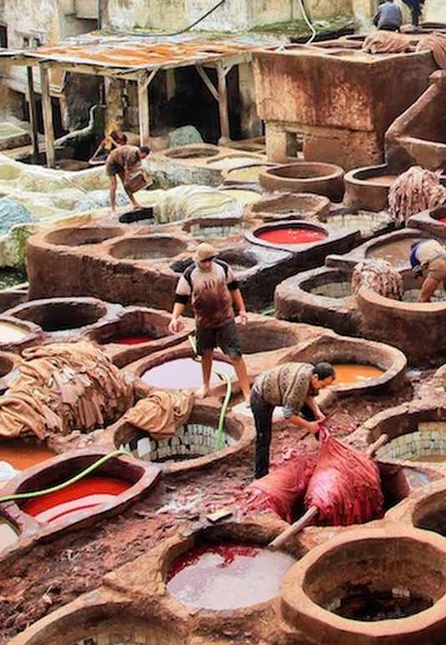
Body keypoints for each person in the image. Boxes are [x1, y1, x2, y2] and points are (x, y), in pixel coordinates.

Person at [170, 243, 252, 398]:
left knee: (235, 355)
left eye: (210, 260)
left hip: (225, 318)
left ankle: (246, 392)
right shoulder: (189, 275)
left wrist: (241, 309)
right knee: (206, 353)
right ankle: (206, 386)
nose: (207, 264)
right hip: (204, 322)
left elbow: (234, 288)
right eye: (204, 261)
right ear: (198, 260)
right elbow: (181, 299)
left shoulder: (223, 268)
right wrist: (175, 317)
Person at [246, 361, 335, 478]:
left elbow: (307, 395)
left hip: (279, 390)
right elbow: (288, 414)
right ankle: (260, 475)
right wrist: (308, 426)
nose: (324, 388)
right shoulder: (299, 383)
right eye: (323, 385)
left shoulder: (310, 373)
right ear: (315, 377)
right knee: (264, 437)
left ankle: (327, 449)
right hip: (261, 396)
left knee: (312, 415)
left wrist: (317, 411)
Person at [409, 238, 446, 303]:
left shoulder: (413, 253)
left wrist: (424, 289)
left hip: (438, 266)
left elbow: (418, 275)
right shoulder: (432, 242)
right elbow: (445, 250)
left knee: (422, 299)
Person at [106, 142, 152, 211]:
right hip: (112, 162)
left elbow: (131, 168)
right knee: (114, 185)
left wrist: (141, 172)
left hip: (121, 163)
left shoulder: (138, 156)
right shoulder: (132, 155)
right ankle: (113, 209)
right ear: (140, 152)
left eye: (145, 157)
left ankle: (135, 204)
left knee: (126, 185)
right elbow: (128, 170)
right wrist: (128, 178)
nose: (143, 158)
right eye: (143, 156)